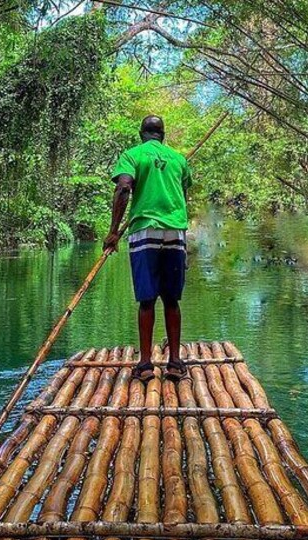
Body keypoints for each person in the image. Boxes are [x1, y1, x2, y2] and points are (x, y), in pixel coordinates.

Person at [104, 115, 192, 381]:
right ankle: (175, 362)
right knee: (172, 299)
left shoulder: (132, 155)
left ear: (142, 134)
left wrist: (113, 232)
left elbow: (123, 188)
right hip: (175, 230)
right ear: (162, 135)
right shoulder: (179, 159)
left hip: (145, 230)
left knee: (147, 300)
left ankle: (145, 365)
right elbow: (183, 194)